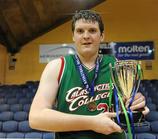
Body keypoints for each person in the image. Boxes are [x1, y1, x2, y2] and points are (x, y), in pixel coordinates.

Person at [29, 10, 149, 139]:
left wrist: (136, 103)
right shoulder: (57, 67)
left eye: (92, 30)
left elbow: (128, 105)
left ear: (102, 36)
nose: (86, 36)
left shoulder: (117, 65)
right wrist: (92, 123)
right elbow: (36, 118)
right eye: (80, 31)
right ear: (73, 36)